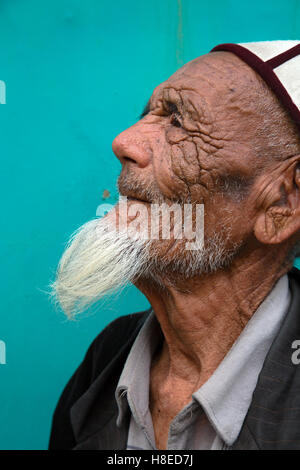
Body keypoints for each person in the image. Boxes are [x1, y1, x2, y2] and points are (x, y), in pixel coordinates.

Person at [49, 40, 300, 450]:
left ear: (281, 204)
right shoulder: (107, 360)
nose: (124, 142)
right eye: (148, 113)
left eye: (179, 124)